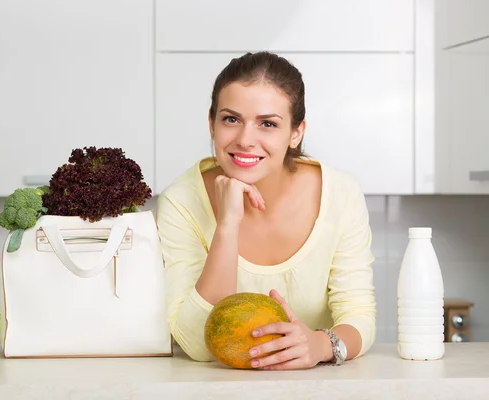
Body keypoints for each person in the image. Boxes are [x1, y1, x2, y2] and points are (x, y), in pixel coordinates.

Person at [155, 51, 376, 370]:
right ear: (211, 123)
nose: (245, 140)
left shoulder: (341, 193)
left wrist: (318, 345)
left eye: (268, 124)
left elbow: (359, 316)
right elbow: (194, 343)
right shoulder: (182, 200)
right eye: (231, 119)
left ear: (296, 132)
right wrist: (227, 226)